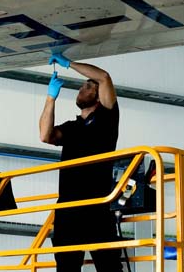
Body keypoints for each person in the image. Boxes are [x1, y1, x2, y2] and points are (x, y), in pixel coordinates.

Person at [39, 52, 122, 272]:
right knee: (66, 268)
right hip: (68, 208)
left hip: (97, 206)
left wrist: (69, 64)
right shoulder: (71, 127)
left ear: (98, 96)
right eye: (82, 87)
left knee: (109, 267)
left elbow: (104, 77)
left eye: (87, 87)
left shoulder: (107, 118)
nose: (81, 90)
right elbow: (45, 136)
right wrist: (50, 98)